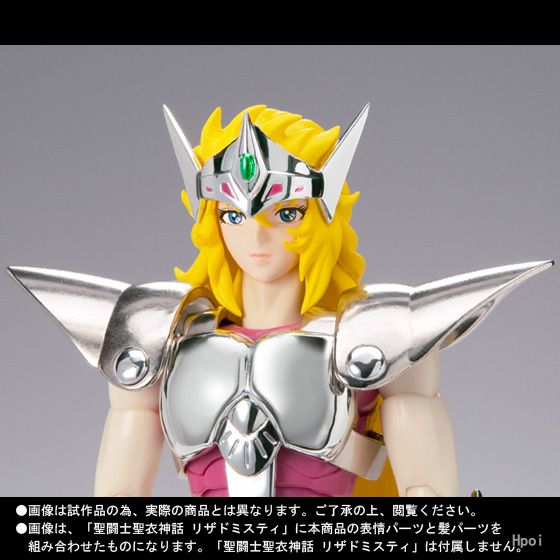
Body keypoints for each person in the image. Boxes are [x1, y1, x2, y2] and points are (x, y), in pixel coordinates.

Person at [7, 103, 552, 497]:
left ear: (319, 216)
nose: (257, 235)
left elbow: (426, 490)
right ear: (210, 219)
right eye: (233, 214)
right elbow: (117, 500)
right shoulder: (161, 336)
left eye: (284, 213)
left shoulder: (372, 336)